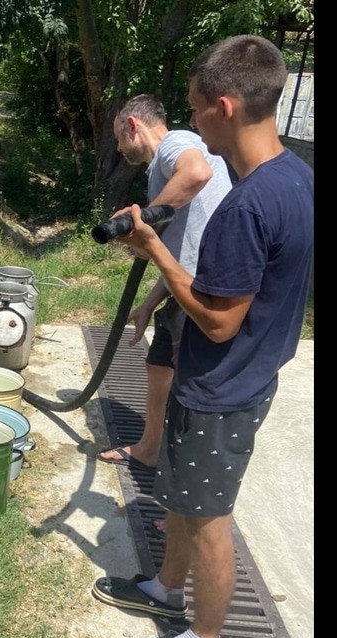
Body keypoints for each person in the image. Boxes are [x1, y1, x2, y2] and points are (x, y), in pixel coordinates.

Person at [89, 35, 314, 638]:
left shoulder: (247, 206)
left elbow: (217, 322)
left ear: (225, 107)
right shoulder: (297, 177)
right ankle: (165, 588)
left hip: (223, 385)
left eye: (193, 110)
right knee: (184, 498)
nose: (190, 123)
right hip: (246, 375)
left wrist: (154, 248)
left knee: (211, 522)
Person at [96, 94, 232, 473]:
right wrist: (151, 302)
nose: (121, 149)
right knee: (160, 369)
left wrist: (146, 223)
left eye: (119, 139)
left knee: (192, 391)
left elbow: (197, 173)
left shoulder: (177, 144)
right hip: (185, 287)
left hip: (204, 292)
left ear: (132, 126)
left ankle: (186, 502)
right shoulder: (165, 165)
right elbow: (182, 248)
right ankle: (150, 449)